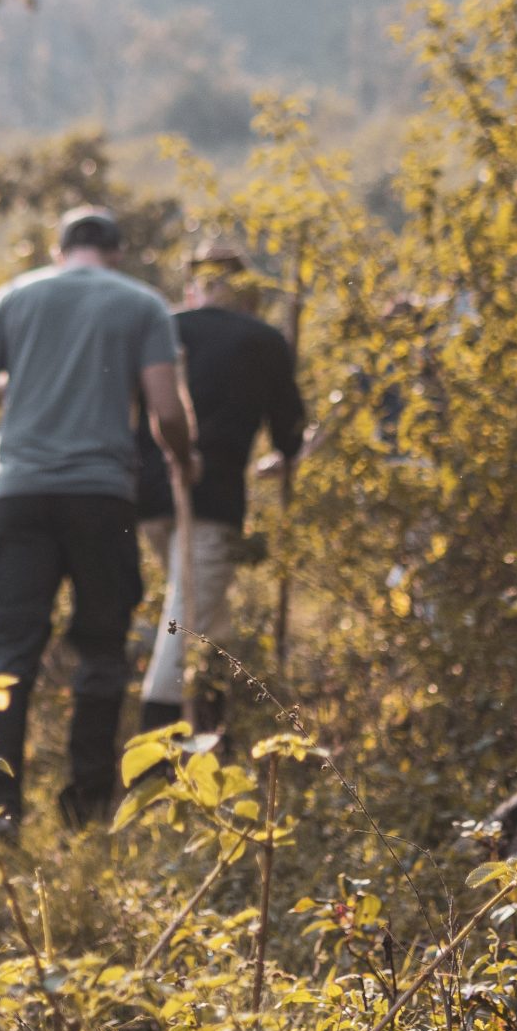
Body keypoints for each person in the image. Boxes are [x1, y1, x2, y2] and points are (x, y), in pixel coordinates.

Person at [0, 206, 195, 832]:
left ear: (59, 251)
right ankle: (85, 812)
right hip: (102, 496)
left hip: (18, 494)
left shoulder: (14, 296)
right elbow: (166, 409)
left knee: (8, 651)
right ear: (114, 252)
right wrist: (184, 461)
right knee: (102, 649)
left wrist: (25, 381)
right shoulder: (142, 305)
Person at [135, 240, 307, 737]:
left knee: (210, 619)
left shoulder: (161, 326)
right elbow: (288, 436)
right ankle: (158, 746)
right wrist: (293, 449)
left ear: (194, 284)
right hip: (210, 501)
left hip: (147, 499)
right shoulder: (264, 340)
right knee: (185, 618)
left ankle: (211, 739)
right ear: (247, 290)